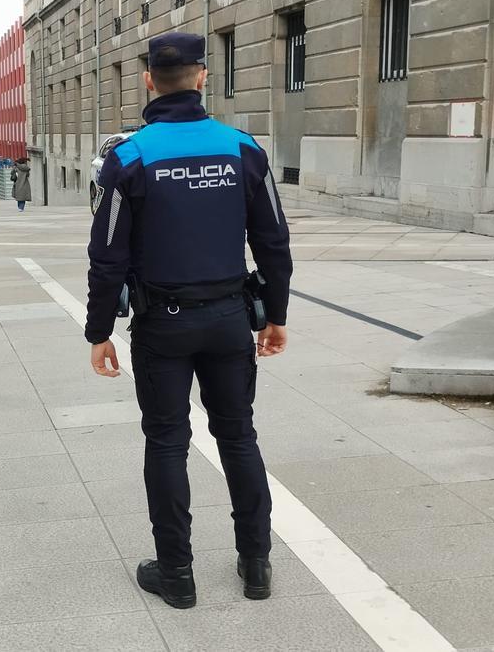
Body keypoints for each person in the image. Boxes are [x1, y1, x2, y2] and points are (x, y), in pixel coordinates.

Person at [84, 31, 293, 609]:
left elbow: (107, 256)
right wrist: (274, 314)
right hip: (229, 318)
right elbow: (274, 241)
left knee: (167, 442)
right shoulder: (243, 149)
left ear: (149, 81)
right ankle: (256, 565)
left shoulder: (127, 157)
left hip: (161, 325)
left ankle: (176, 573)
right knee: (238, 436)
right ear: (202, 77)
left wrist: (98, 330)